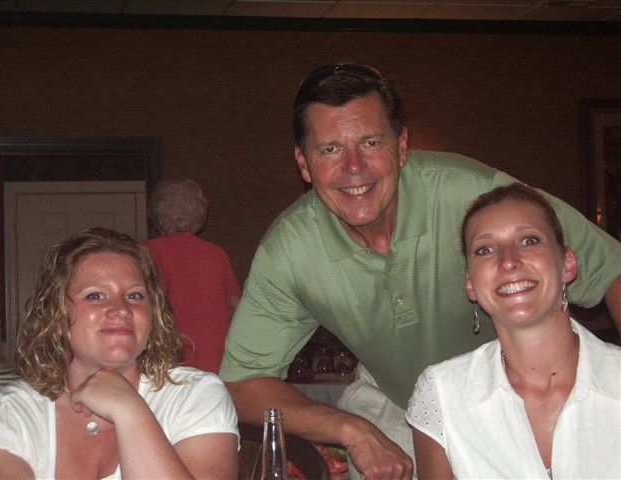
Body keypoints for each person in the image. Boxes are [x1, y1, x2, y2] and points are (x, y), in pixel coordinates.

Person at [218, 63, 621, 479]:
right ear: (303, 163)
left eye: (371, 142)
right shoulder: (290, 250)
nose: (354, 166)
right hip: (399, 401)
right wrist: (348, 429)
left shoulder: (470, 194)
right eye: (331, 149)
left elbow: (611, 267)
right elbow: (241, 383)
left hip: (523, 388)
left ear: (402, 145)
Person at [0, 227, 239, 479]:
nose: (121, 309)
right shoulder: (5, 416)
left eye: (135, 295)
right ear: (56, 318)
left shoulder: (194, 397)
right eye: (95, 296)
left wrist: (128, 409)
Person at [406, 183, 621, 479]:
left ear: (567, 264)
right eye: (485, 249)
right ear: (471, 284)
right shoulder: (442, 395)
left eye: (529, 241)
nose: (508, 260)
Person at [146, 178, 242, 374]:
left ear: (157, 214)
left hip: (169, 366)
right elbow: (237, 309)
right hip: (216, 365)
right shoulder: (216, 254)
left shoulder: (149, 252)